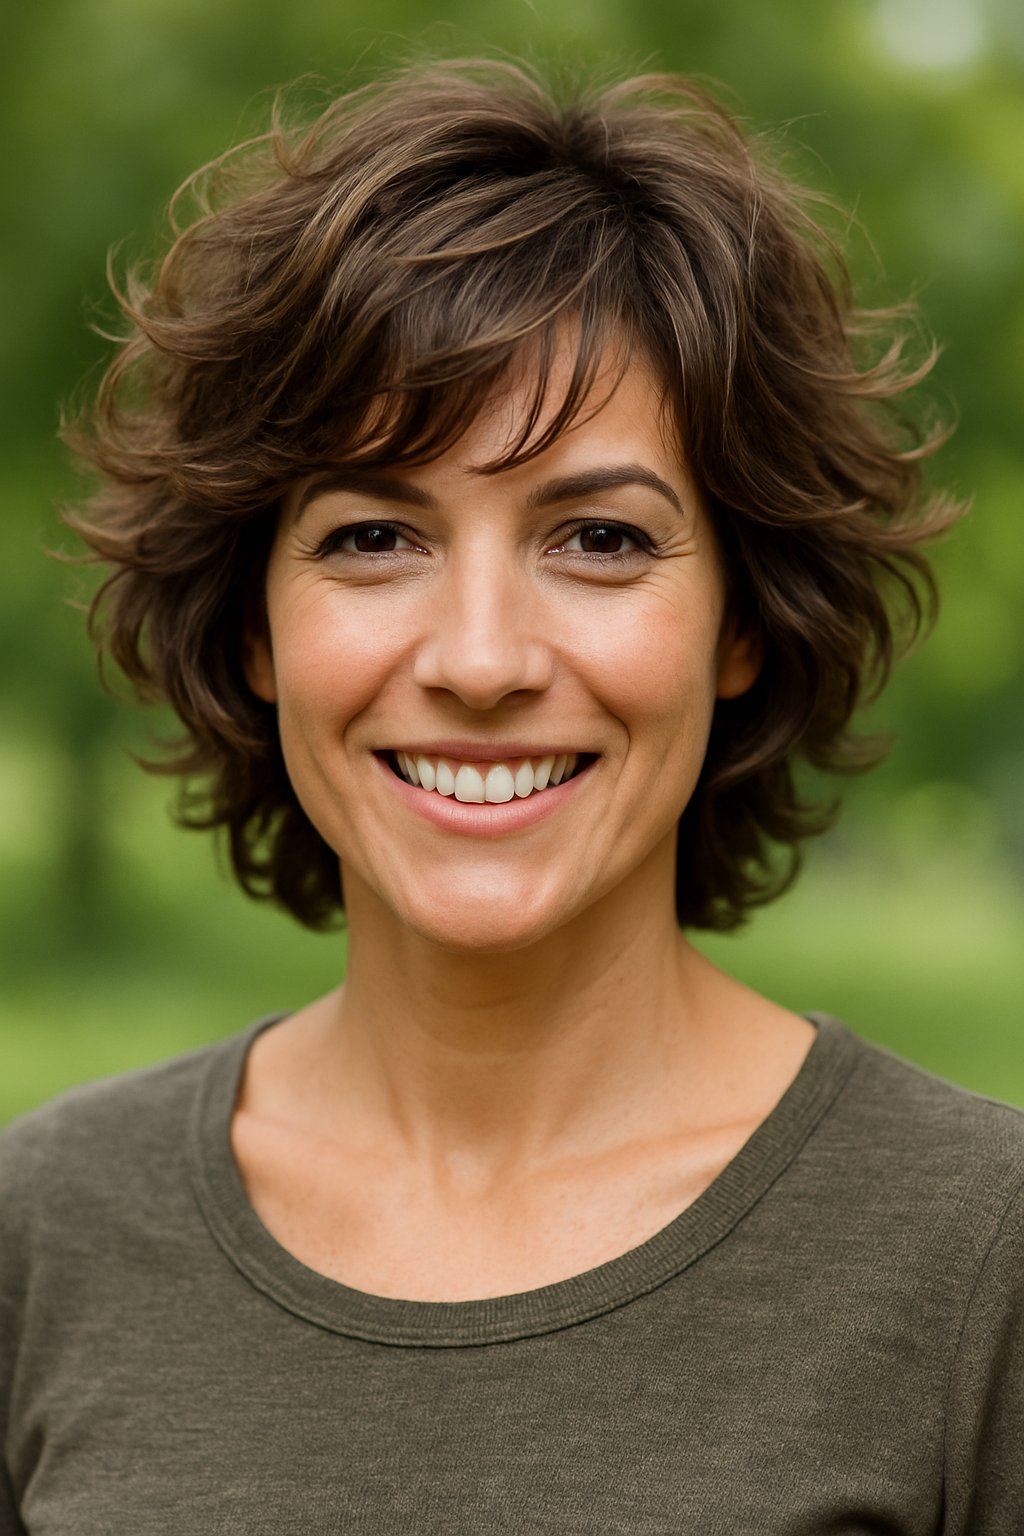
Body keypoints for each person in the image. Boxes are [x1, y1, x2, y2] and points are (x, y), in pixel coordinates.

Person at [1, 58, 1021, 1535]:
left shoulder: (977, 1261)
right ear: (252, 627)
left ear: (744, 622)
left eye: (600, 538)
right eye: (372, 538)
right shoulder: (41, 1238)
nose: (480, 660)